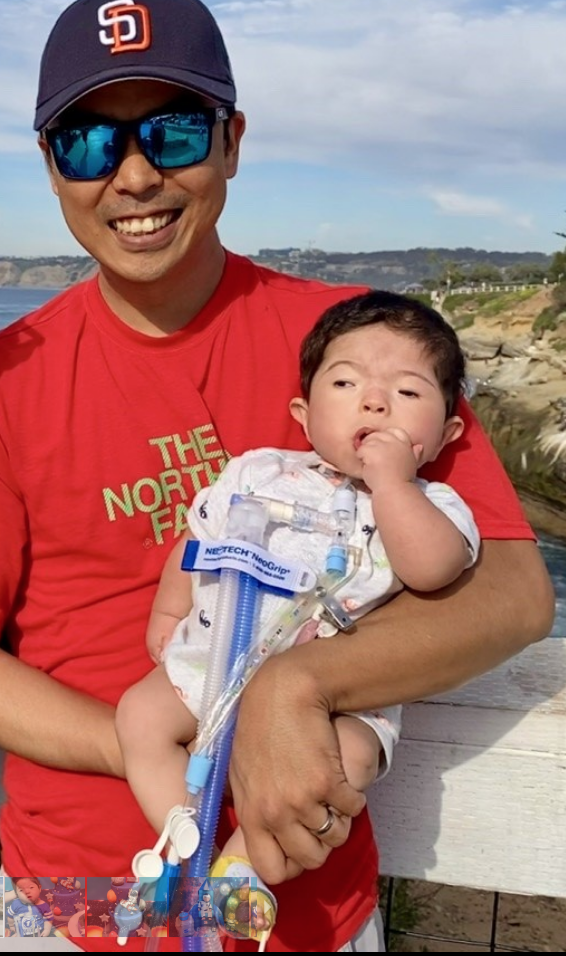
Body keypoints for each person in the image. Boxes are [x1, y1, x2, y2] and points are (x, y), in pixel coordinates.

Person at [0, 0, 554, 953]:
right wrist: (186, 739)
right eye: (87, 141)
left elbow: (512, 591)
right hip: (67, 911)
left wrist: (291, 693)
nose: (131, 176)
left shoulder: (361, 346)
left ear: (232, 141)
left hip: (304, 920)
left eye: (171, 132)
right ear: (51, 168)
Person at [117, 292, 479, 937]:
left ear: (448, 430)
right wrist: (171, 604)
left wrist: (392, 483)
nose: (374, 402)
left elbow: (432, 568)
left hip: (333, 700)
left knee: (350, 762)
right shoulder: (259, 472)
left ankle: (242, 863)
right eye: (346, 382)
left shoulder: (434, 505)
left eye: (408, 391)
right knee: (139, 717)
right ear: (304, 414)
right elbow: (198, 536)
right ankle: (183, 838)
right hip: (214, 654)